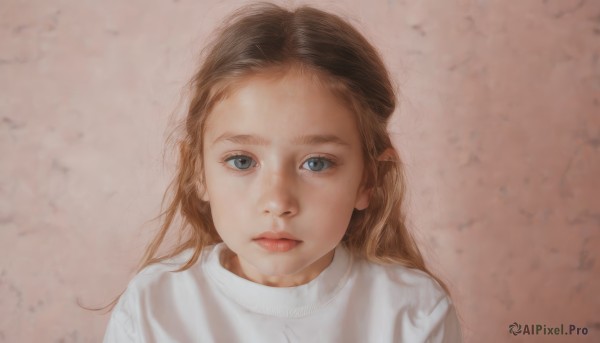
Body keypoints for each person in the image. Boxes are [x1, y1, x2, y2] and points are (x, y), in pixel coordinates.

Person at [103, 2, 463, 342]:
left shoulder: (413, 313)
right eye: (242, 161)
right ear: (197, 171)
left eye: (316, 163)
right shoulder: (152, 308)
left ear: (369, 178)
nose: (277, 203)